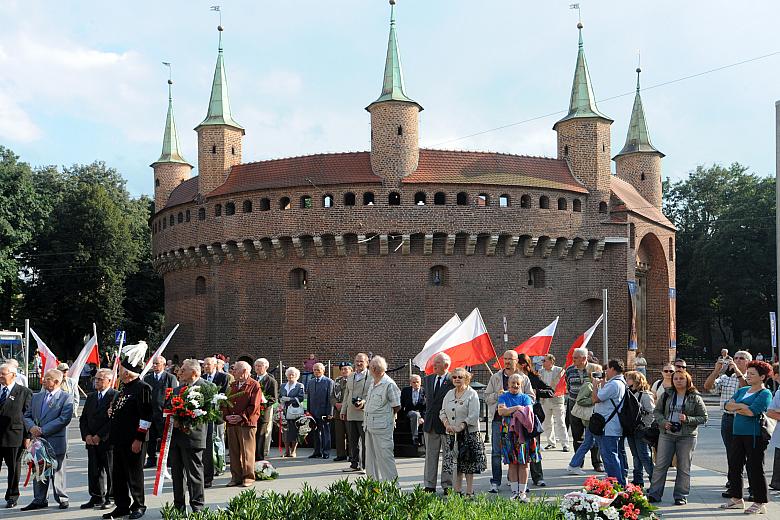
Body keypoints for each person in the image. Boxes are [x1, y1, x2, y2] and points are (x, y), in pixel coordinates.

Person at [104, 342, 153, 520]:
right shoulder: (124, 389)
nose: (119, 373)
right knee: (119, 475)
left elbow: (146, 416)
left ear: (126, 372)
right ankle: (122, 505)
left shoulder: (143, 388)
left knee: (134, 474)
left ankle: (139, 505)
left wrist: (139, 439)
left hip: (134, 439)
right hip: (119, 439)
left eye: (121, 369)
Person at [647, 370, 707, 506]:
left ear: (687, 380)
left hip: (687, 436)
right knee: (661, 465)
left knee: (684, 467)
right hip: (667, 434)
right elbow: (657, 411)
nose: (678, 381)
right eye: (676, 379)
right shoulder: (667, 394)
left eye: (681, 378)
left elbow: (704, 417)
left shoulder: (694, 397)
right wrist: (663, 422)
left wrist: (688, 419)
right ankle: (654, 494)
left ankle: (681, 495)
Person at [721, 360, 773, 514]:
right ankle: (736, 498)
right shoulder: (743, 390)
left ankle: (760, 501)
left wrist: (737, 407)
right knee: (735, 465)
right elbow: (726, 406)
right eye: (747, 373)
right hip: (737, 433)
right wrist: (742, 407)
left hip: (755, 435)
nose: (748, 376)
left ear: (762, 377)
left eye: (752, 374)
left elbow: (753, 412)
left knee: (754, 468)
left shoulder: (765, 393)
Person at [21, 368, 74, 511]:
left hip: (55, 440)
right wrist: (32, 428)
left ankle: (62, 498)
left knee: (57, 470)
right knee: (39, 470)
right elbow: (27, 415)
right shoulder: (37, 397)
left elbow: (64, 419)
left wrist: (43, 430)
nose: (44, 380)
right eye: (44, 378)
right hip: (38, 442)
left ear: (56, 382)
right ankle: (39, 499)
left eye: (47, 378)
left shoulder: (65, 397)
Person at [485, 350, 534, 493]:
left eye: (510, 359)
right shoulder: (495, 378)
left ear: (516, 361)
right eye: (505, 358)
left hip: (519, 423)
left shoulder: (524, 378)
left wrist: (519, 399)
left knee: (518, 453)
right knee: (496, 452)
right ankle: (495, 482)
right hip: (499, 420)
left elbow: (531, 397)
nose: (507, 361)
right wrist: (497, 395)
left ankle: (517, 483)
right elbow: (487, 397)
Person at [704, 350, 751, 496]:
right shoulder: (726, 378)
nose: (737, 360)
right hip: (729, 419)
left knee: (749, 453)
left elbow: (746, 388)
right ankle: (733, 482)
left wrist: (737, 371)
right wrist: (716, 371)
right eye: (735, 358)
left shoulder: (751, 377)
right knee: (732, 453)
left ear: (748, 362)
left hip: (746, 419)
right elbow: (708, 386)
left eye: (741, 358)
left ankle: (752, 484)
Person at [167, 360, 212, 514]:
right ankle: (178, 506)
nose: (180, 373)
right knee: (177, 475)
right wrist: (173, 418)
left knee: (194, 474)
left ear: (194, 372)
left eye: (183, 370)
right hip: (175, 438)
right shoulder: (177, 390)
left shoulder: (206, 388)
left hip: (193, 438)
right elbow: (167, 408)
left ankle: (197, 507)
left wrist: (184, 420)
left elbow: (208, 413)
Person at [439, 368, 485, 496]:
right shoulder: (449, 394)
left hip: (468, 434)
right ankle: (457, 490)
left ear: (466, 378)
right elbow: (442, 411)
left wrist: (461, 426)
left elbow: (474, 415)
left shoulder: (472, 394)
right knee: (455, 464)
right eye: (454, 377)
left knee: (468, 464)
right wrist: (447, 424)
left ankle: (469, 491)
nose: (457, 379)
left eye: (460, 377)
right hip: (452, 434)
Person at [498, 373, 540, 502]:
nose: (515, 385)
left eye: (518, 383)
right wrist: (516, 408)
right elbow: (501, 412)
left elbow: (528, 413)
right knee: (511, 463)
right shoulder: (503, 396)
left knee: (524, 463)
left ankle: (522, 493)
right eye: (513, 383)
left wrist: (509, 410)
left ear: (521, 385)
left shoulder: (526, 397)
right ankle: (514, 492)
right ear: (508, 384)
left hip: (523, 433)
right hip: (508, 433)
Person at [79, 369, 117, 510]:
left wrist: (99, 436)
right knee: (94, 470)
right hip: (91, 440)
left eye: (100, 379)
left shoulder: (115, 396)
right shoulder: (91, 397)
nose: (97, 381)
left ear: (109, 380)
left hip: (106, 441)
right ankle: (96, 496)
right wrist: (87, 435)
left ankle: (111, 496)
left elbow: (112, 421)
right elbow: (83, 419)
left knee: (110, 470)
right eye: (96, 378)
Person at [222, 361, 263, 487]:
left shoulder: (254, 385)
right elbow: (225, 402)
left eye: (235, 369)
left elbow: (255, 406)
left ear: (244, 371)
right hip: (232, 423)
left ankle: (248, 476)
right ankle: (236, 477)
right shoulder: (232, 385)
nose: (233, 372)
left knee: (247, 451)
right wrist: (227, 416)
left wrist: (241, 417)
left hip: (246, 423)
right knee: (234, 451)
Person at [363, 356, 401, 481]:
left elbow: (397, 405)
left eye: (369, 367)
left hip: (382, 427)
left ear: (373, 369)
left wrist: (387, 417)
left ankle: (392, 488)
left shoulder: (389, 384)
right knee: (370, 459)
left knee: (385, 459)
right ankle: (373, 487)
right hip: (369, 426)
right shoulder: (372, 383)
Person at [518, 353, 553, 487]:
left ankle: (538, 477)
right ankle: (514, 478)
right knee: (516, 447)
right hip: (516, 416)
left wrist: (536, 391)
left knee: (534, 446)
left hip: (532, 416)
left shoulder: (533, 377)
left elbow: (551, 391)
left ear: (523, 365)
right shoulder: (511, 377)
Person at [0, 363, 32, 509]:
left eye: (3, 374)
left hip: (14, 435)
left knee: (13, 467)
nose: (0, 376)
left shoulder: (24, 392)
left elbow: (28, 415)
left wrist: (27, 437)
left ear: (13, 375)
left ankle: (12, 496)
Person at [565, 347, 602, 472]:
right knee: (577, 435)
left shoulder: (594, 369)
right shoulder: (569, 370)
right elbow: (568, 385)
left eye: (575, 358)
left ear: (584, 359)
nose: (573, 359)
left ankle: (597, 463)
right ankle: (578, 463)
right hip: (574, 405)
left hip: (591, 407)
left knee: (594, 434)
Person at [422, 352, 455, 493]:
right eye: (434, 362)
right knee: (430, 455)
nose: (434, 365)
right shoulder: (428, 379)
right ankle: (429, 485)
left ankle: (447, 485)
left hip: (446, 424)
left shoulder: (453, 380)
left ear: (446, 365)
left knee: (448, 455)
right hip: (430, 424)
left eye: (437, 363)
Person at [591, 359, 627, 486]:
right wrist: (603, 383)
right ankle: (618, 482)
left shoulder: (614, 384)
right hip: (612, 425)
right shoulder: (619, 383)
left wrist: (595, 385)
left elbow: (595, 398)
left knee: (610, 457)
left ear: (612, 369)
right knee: (613, 455)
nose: (605, 371)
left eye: (607, 369)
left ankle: (616, 484)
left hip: (609, 426)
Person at [143, 355, 178, 469]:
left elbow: (172, 395)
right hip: (151, 413)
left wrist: (167, 410)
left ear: (163, 365)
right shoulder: (148, 378)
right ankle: (151, 458)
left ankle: (167, 459)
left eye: (157, 363)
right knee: (151, 438)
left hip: (164, 413)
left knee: (165, 437)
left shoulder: (170, 378)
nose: (154, 365)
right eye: (153, 363)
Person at [201, 357, 228, 488]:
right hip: (205, 414)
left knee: (219, 439)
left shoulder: (223, 377)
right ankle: (208, 465)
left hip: (218, 414)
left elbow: (225, 394)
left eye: (209, 364)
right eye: (204, 364)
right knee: (207, 442)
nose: (206, 366)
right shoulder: (202, 378)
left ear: (215, 365)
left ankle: (220, 464)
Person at [625, 370, 655, 488]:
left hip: (641, 430)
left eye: (629, 379)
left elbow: (652, 413)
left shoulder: (645, 394)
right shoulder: (629, 393)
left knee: (643, 455)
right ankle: (638, 480)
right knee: (636, 455)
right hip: (631, 429)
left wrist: (644, 426)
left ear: (636, 380)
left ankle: (654, 479)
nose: (626, 381)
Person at [341, 353, 370, 472]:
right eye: (357, 361)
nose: (359, 363)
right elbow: (347, 394)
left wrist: (363, 402)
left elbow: (370, 394)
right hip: (351, 413)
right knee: (352, 440)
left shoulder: (371, 376)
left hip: (363, 413)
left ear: (367, 362)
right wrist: (343, 410)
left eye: (361, 361)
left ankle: (365, 465)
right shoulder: (351, 375)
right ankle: (354, 464)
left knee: (365, 441)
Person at [566, 375, 596, 474]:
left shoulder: (594, 384)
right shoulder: (588, 385)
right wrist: (594, 400)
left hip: (593, 419)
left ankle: (574, 464)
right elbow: (580, 400)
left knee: (589, 442)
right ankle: (574, 464)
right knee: (589, 442)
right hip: (591, 419)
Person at [539, 354, 568, 452]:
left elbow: (564, 383)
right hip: (545, 400)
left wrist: (561, 377)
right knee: (547, 423)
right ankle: (551, 442)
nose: (542, 362)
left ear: (551, 361)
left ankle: (565, 444)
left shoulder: (559, 370)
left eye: (544, 361)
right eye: (542, 361)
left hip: (557, 400)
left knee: (560, 422)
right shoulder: (540, 372)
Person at [306, 363, 334, 459]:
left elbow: (330, 398)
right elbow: (309, 398)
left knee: (325, 432)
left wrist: (330, 412)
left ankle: (326, 452)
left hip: (324, 412)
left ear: (323, 370)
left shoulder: (329, 382)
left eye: (318, 370)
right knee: (315, 433)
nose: (316, 372)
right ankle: (317, 451)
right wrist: (308, 411)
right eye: (314, 370)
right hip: (313, 412)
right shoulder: (311, 382)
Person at [252, 358, 278, 461]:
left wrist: (263, 403)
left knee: (260, 435)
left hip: (263, 413)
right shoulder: (252, 379)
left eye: (260, 366)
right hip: (251, 413)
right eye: (256, 366)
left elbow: (273, 398)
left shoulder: (271, 381)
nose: (257, 368)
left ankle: (260, 456)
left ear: (266, 367)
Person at [279, 367, 305, 458]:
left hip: (294, 411)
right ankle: (286, 451)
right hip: (285, 410)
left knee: (294, 431)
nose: (290, 376)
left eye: (292, 375)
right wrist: (281, 401)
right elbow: (279, 396)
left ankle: (293, 451)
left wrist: (290, 399)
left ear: (296, 376)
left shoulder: (299, 386)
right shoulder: (282, 385)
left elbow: (301, 398)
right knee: (285, 431)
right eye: (289, 374)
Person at [330, 362, 353, 461]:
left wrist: (344, 405)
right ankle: (341, 454)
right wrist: (336, 404)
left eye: (346, 369)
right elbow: (332, 396)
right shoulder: (337, 380)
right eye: (342, 369)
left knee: (351, 434)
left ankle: (352, 455)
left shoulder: (354, 380)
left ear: (351, 370)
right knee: (339, 434)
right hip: (338, 411)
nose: (344, 371)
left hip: (349, 411)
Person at [400, 374, 426, 446]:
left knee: (417, 415)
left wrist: (423, 418)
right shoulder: (406, 391)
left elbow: (426, 407)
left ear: (420, 382)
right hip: (409, 412)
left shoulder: (425, 391)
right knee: (415, 414)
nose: (416, 384)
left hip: (421, 413)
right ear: (410, 383)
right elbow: (401, 404)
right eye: (413, 382)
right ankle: (415, 437)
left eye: (417, 382)